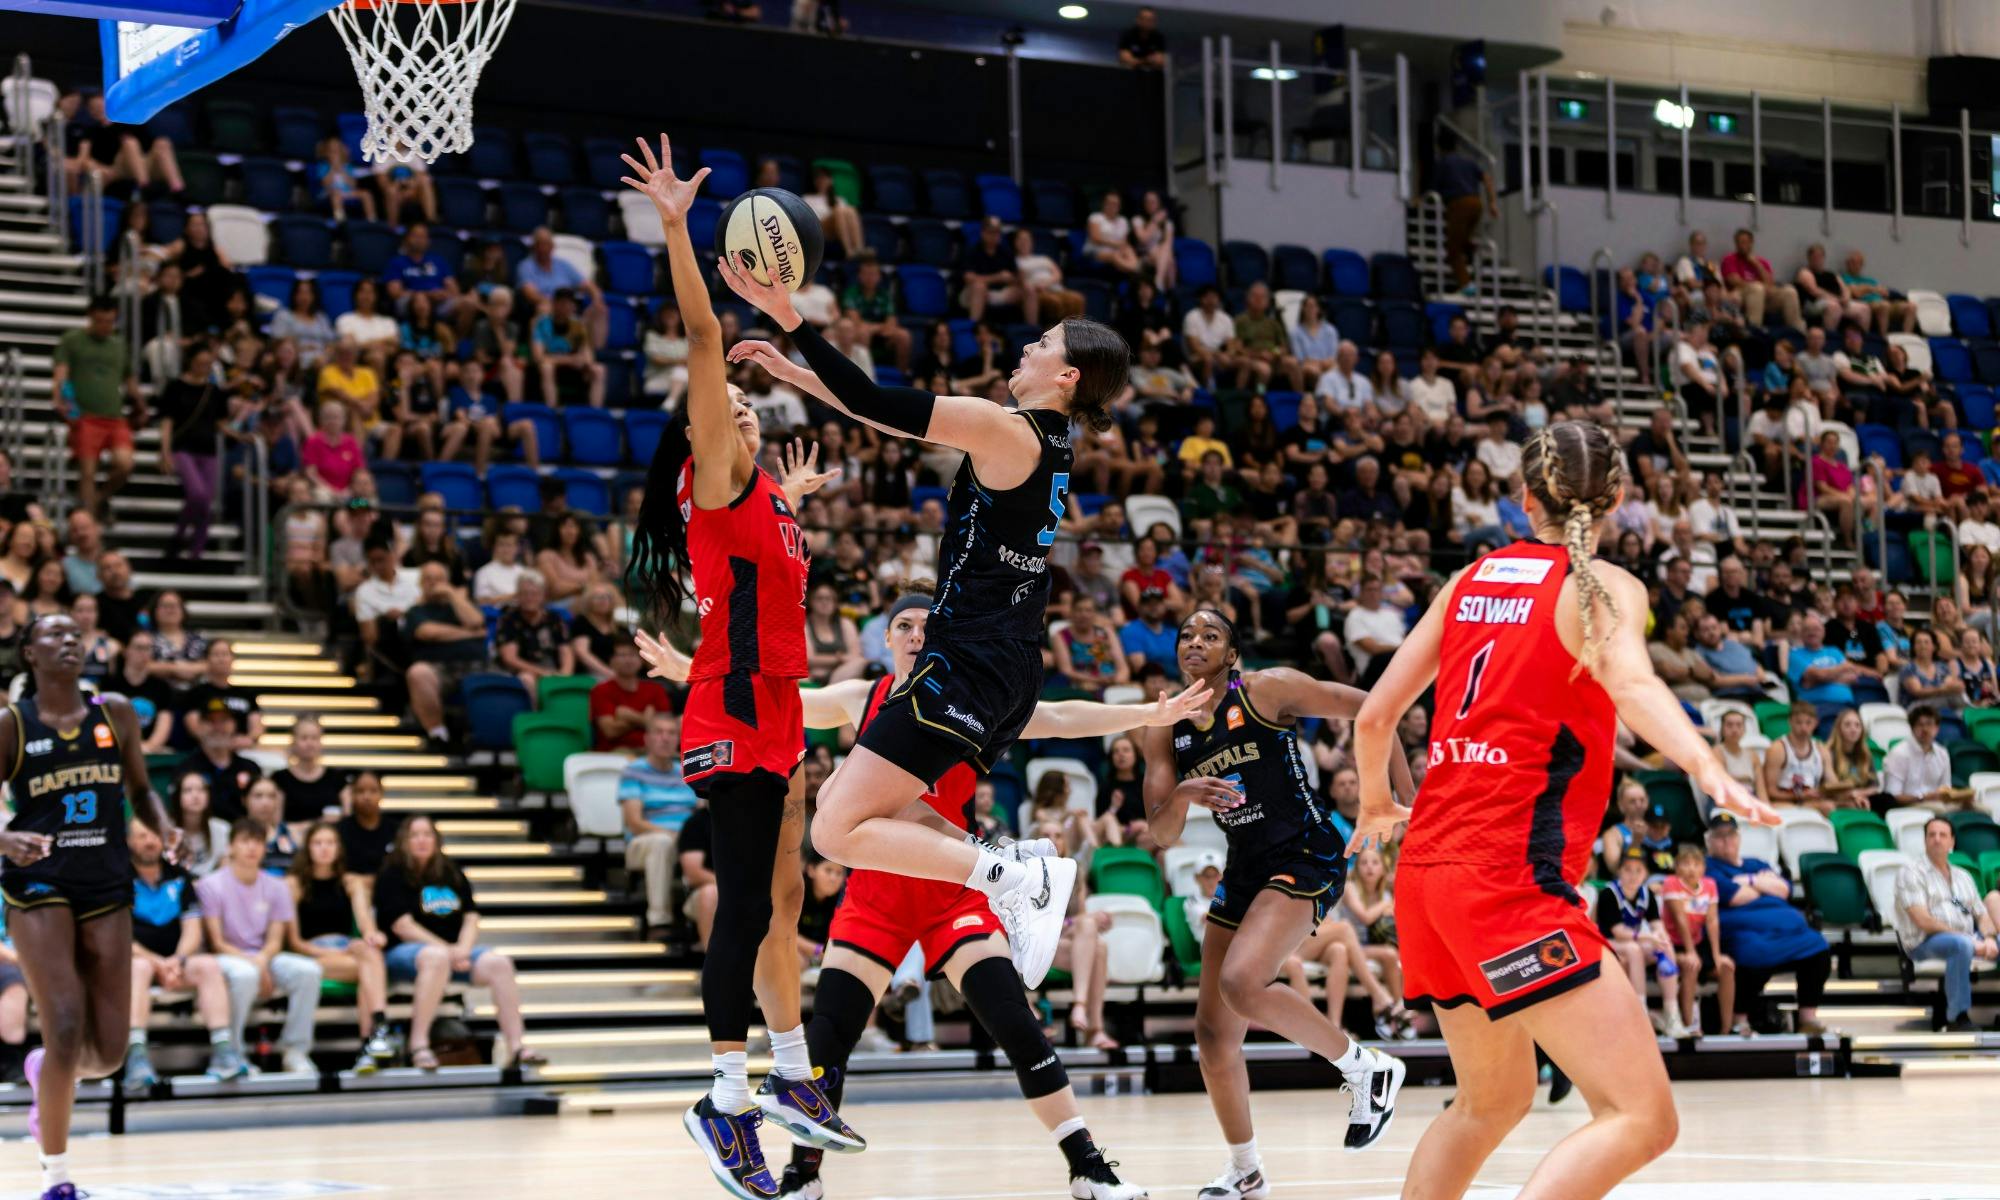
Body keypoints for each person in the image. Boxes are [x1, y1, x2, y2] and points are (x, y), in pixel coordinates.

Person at [716, 133, 1132, 988]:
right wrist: (794, 372)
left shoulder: (1006, 427)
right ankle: (1008, 869)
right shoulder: (1042, 443)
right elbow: (883, 414)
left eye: (1044, 344)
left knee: (834, 831)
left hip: (973, 662)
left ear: (1068, 378)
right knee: (873, 816)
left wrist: (789, 317)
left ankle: (1016, 872)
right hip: (1000, 663)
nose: (1028, 348)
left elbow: (878, 400)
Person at [640, 582, 1203, 1200]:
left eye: (924, 628)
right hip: (875, 899)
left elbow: (1065, 717)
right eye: (903, 626)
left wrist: (1148, 715)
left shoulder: (976, 705)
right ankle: (803, 1176)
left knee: (1016, 1024)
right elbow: (782, 698)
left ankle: (1088, 1167)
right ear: (885, 640)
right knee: (827, 1039)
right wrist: (690, 671)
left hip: (951, 895)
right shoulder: (863, 698)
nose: (914, 636)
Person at [1348, 422, 1775, 1200]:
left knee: (1490, 1103)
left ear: (1523, 500)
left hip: (1427, 882)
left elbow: (1373, 719)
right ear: (1619, 499)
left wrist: (1378, 802)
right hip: (1507, 888)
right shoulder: (1604, 586)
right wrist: (1703, 760)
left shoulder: (1469, 579)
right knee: (1642, 1117)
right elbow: (1635, 683)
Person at [618, 135, 857, 1194]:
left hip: (773, 709)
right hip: (730, 711)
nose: (749, 415)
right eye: (735, 412)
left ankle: (790, 1076)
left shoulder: (761, 499)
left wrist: (790, 508)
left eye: (753, 412)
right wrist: (677, 229)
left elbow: (758, 582)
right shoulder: (715, 477)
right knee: (748, 908)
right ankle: (722, 1102)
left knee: (783, 899)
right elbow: (707, 337)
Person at [1144, 609, 1414, 1195]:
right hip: (1244, 867)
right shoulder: (1165, 726)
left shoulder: (1268, 689)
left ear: (1232, 654)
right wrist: (1186, 792)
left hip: (1305, 851)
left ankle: (1365, 1066)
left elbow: (1377, 709)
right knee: (1214, 1036)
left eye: (1210, 634)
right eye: (1186, 635)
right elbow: (1161, 833)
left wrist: (1398, 801)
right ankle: (1246, 1172)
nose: (1196, 642)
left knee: (1241, 983)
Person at [2, 613, 175, 1200]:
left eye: (74, 633)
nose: (68, 640)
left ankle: (43, 1068)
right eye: (53, 634)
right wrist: (5, 839)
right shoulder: (12, 726)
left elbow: (141, 788)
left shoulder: (116, 713)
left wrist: (165, 826)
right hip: (38, 883)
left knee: (107, 1054)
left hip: (106, 880)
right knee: (67, 1026)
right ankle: (57, 1176)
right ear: (30, 653)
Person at [372, 816, 541, 1071]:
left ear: (437, 840)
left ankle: (516, 1047)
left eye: (427, 834)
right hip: (404, 954)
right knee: (434, 958)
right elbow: (402, 926)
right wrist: (447, 951)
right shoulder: (392, 874)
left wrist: (462, 948)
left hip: (451, 953)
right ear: (404, 841)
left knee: (499, 964)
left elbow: (471, 916)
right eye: (414, 835)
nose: (421, 840)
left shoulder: (451, 871)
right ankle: (418, 1044)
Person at [123, 817, 247, 1089]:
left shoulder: (179, 876)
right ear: (130, 841)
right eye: (142, 836)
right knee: (138, 969)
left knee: (207, 965)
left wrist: (177, 961)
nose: (149, 841)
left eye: (154, 835)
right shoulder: (118, 878)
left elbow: (193, 929)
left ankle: (224, 1050)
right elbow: (120, 937)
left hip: (175, 963)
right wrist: (158, 963)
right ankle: (136, 1056)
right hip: (136, 963)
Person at [196, 821, 324, 1075]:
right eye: (244, 841)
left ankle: (295, 1050)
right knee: (245, 975)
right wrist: (255, 963)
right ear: (231, 846)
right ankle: (233, 1052)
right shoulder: (209, 885)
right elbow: (216, 942)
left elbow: (275, 940)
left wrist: (262, 960)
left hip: (263, 957)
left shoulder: (277, 886)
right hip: (227, 956)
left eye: (257, 842)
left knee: (308, 971)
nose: (251, 848)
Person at [286, 821, 399, 1072]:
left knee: (368, 954)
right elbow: (294, 942)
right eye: (318, 843)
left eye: (330, 843)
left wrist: (371, 935)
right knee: (368, 969)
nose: (324, 849)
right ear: (308, 848)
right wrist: (334, 952)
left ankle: (372, 1042)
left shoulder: (351, 883)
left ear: (339, 848)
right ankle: (376, 1034)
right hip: (311, 955)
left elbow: (365, 922)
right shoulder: (293, 884)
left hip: (347, 952)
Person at [1704, 814, 1830, 1035]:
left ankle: (1807, 1019)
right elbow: (1734, 897)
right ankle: (1739, 1020)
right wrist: (1762, 883)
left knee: (1818, 945)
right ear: (1709, 841)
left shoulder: (1756, 863)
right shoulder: (1709, 867)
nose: (1727, 841)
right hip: (1745, 933)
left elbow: (1784, 890)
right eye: (1720, 837)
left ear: (1739, 838)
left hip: (1790, 932)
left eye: (1731, 835)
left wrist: (1749, 882)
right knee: (1752, 951)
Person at [1895, 817, 1998, 1031]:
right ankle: (1957, 1018)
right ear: (1925, 841)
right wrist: (1969, 939)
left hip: (1966, 938)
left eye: (1942, 835)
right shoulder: (1911, 873)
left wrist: (1988, 938)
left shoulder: (1963, 876)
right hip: (1924, 942)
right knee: (1961, 945)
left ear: (1952, 842)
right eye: (1931, 835)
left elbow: (1982, 915)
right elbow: (1923, 921)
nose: (1936, 840)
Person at [53, 296, 140, 518]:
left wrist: (140, 402)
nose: (105, 326)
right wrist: (62, 400)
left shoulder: (118, 344)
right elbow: (62, 373)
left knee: (125, 464)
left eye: (110, 321)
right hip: (85, 415)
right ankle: (90, 520)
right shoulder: (72, 340)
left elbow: (128, 377)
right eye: (100, 321)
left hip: (114, 416)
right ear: (91, 317)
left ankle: (100, 498)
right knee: (88, 472)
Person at [619, 713, 700, 937]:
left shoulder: (686, 771)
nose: (665, 738)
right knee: (662, 842)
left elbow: (701, 814)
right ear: (647, 739)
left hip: (684, 841)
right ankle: (659, 921)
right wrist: (675, 835)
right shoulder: (634, 770)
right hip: (643, 843)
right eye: (659, 732)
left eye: (671, 733)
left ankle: (701, 915)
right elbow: (634, 823)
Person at [1594, 847, 1683, 1036]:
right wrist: (1650, 937)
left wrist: (1660, 936)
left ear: (1646, 873)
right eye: (1628, 869)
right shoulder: (1609, 894)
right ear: (1619, 871)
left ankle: (1672, 1013)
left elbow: (1656, 924)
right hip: (1606, 944)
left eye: (1638, 870)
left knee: (1665, 945)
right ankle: (1640, 1010)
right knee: (1634, 949)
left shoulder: (1646, 894)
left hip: (1631, 942)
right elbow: (1618, 932)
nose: (1633, 875)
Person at [1660, 844, 1732, 1039]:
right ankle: (1689, 1024)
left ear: (1703, 868)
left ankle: (1727, 1028)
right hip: (1671, 943)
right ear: (1677, 867)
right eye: (1686, 864)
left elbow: (1712, 921)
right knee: (1692, 965)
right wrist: (1690, 952)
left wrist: (1716, 954)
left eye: (1696, 864)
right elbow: (1679, 919)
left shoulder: (1709, 884)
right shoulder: (1671, 883)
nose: (1691, 868)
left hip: (1697, 941)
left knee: (1726, 966)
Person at [1433, 128, 1496, 293]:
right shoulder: (1468, 161)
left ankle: (1467, 285)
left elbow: (1433, 189)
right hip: (1476, 204)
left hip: (1459, 204)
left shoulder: (1443, 163)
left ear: (1439, 146)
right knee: (1463, 240)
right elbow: (1487, 179)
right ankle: (1473, 251)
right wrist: (1492, 203)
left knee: (1452, 249)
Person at [589, 640, 672, 754]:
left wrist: (629, 716)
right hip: (615, 753)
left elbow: (666, 727)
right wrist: (646, 719)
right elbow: (610, 731)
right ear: (611, 661)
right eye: (622, 655)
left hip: (654, 751)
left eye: (632, 654)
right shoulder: (601, 690)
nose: (628, 660)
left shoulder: (656, 689)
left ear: (641, 660)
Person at [273, 715, 349, 828]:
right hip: (292, 843)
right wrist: (317, 823)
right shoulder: (280, 779)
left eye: (314, 738)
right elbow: (276, 823)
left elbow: (348, 816)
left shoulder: (336, 778)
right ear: (293, 741)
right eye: (304, 738)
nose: (309, 743)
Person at [336, 771, 400, 879]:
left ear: (381, 794)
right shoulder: (340, 830)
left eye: (373, 791)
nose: (367, 796)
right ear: (352, 795)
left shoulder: (396, 830)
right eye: (360, 791)